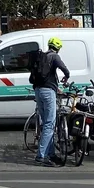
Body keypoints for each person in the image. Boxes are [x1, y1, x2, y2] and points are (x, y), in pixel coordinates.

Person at [31, 38, 70, 166]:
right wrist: (66, 76)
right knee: (50, 123)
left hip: (38, 90)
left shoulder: (42, 56)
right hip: (48, 92)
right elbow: (64, 69)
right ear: (58, 48)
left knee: (46, 124)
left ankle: (51, 154)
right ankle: (41, 156)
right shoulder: (54, 56)